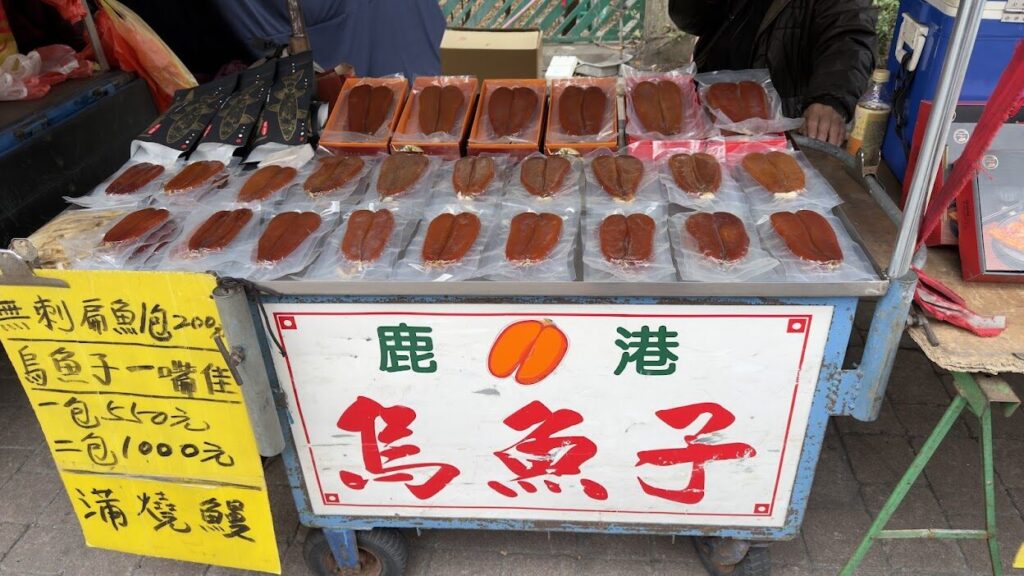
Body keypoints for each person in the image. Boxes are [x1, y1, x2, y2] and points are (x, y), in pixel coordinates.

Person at [669, 0, 878, 146]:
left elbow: (848, 36)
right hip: (707, 103)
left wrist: (830, 97)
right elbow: (691, 20)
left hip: (779, 119)